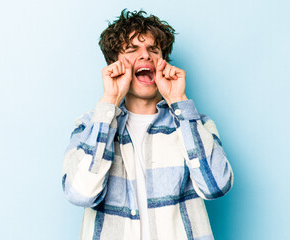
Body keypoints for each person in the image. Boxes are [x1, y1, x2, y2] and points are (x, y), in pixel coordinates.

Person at [62, 9, 233, 240]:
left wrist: (177, 100)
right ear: (115, 64)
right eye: (132, 50)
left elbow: (216, 187)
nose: (146, 56)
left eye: (154, 50)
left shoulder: (195, 123)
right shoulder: (89, 127)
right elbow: (80, 194)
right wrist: (110, 101)